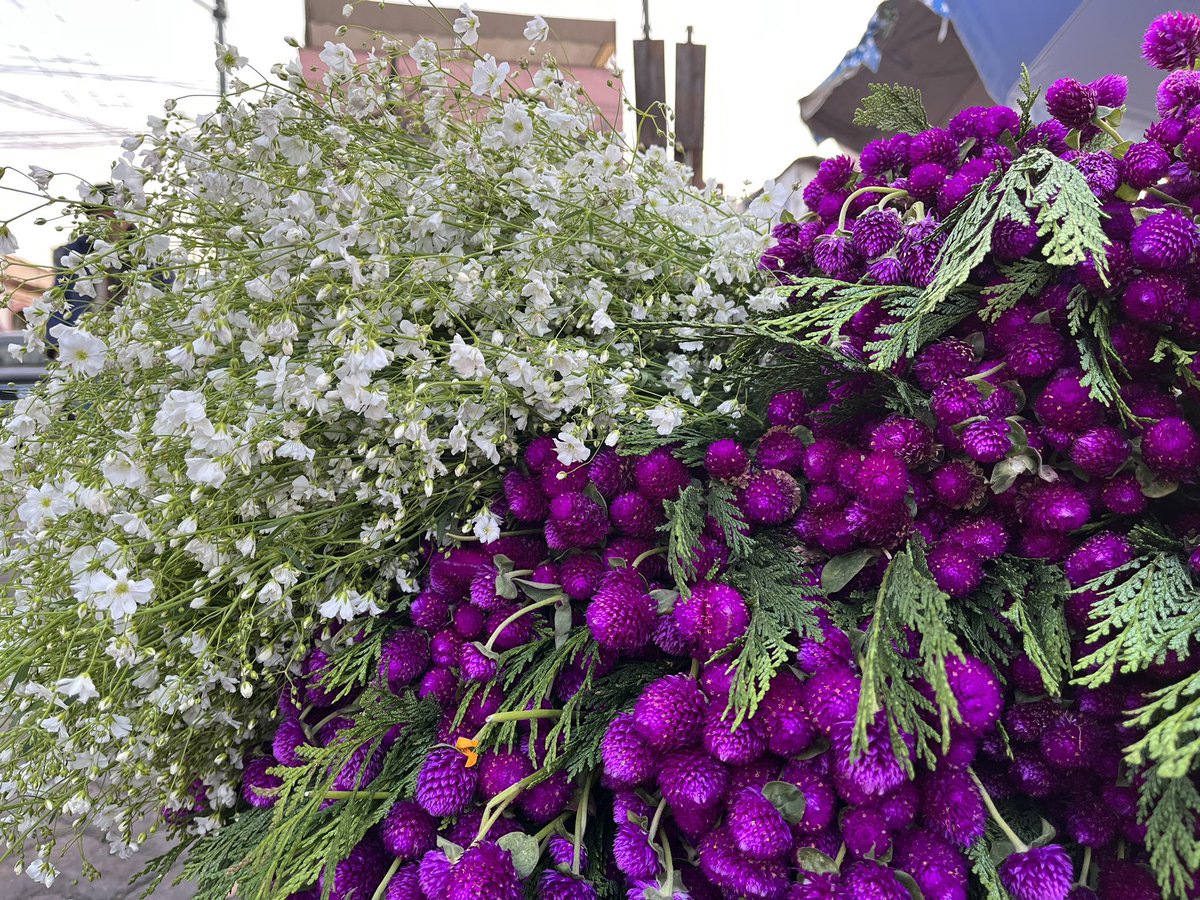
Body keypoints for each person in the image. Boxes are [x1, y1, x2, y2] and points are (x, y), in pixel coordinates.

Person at [46, 186, 131, 352]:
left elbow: (163, 290)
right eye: (100, 217)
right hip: (85, 337)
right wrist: (54, 345)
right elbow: (61, 298)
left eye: (115, 216)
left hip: (128, 339)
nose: (109, 223)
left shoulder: (148, 251)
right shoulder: (72, 253)